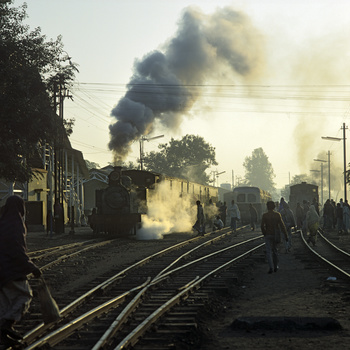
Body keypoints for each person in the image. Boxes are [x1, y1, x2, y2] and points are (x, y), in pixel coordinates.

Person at [0, 196, 42, 347]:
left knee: (4, 302)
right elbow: (17, 250)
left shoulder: (2, 221)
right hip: (11, 269)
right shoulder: (16, 224)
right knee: (25, 295)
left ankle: (3, 335)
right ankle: (7, 324)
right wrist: (32, 268)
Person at [261, 201, 288, 274]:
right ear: (274, 207)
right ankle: (275, 266)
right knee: (275, 250)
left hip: (268, 234)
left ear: (267, 207)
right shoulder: (277, 215)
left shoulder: (265, 215)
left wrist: (265, 233)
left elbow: (262, 226)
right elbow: (282, 226)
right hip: (275, 235)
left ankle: (271, 267)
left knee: (268, 251)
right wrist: (286, 235)